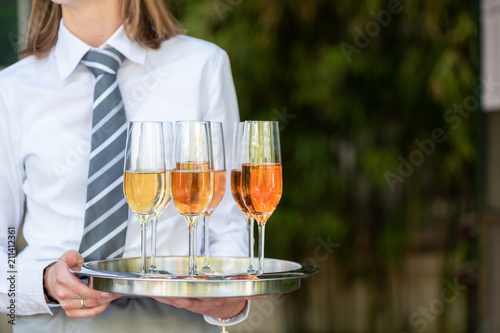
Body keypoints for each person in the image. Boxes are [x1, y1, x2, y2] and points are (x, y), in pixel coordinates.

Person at [0, 0, 252, 331]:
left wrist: (232, 297)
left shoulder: (202, 66)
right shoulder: (11, 89)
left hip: (175, 320)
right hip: (54, 321)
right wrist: (43, 282)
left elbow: (227, 223)